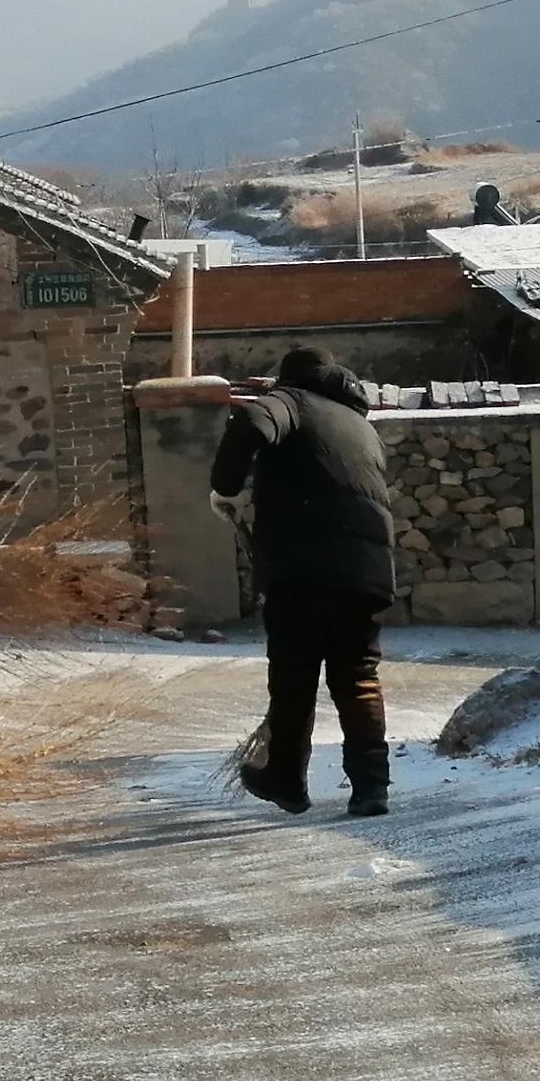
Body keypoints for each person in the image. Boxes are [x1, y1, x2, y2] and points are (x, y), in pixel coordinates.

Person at [211, 346, 394, 819]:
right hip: (365, 573)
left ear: (288, 379)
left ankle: (287, 781)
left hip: (302, 569)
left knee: (293, 678)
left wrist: (225, 488)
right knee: (357, 678)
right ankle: (372, 788)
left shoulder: (291, 402)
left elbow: (252, 421)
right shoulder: (360, 426)